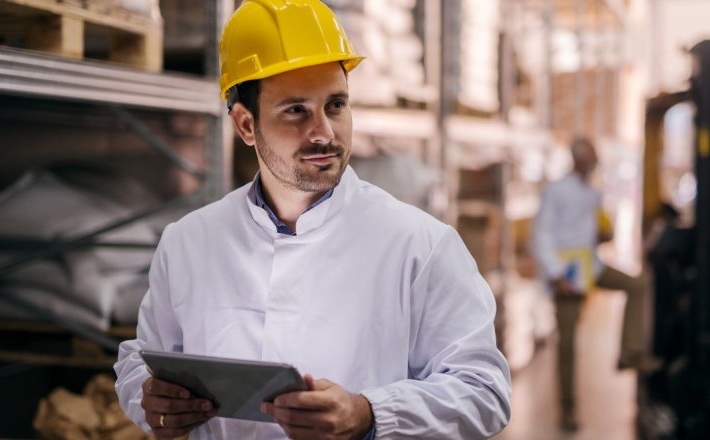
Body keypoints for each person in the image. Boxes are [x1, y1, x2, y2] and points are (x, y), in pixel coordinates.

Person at [113, 1, 511, 438]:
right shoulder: (189, 242)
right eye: (296, 111)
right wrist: (148, 399)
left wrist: (369, 414)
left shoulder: (421, 246)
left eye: (336, 105)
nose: (324, 132)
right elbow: (142, 359)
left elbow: (483, 391)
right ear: (246, 125)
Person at [531, 137, 654, 432]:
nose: (594, 163)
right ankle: (567, 410)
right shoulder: (556, 191)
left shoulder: (592, 192)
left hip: (590, 266)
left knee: (637, 283)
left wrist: (603, 232)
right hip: (567, 274)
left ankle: (630, 351)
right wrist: (556, 273)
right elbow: (541, 235)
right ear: (578, 159)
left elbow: (594, 231)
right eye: (591, 157)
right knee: (568, 345)